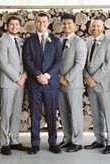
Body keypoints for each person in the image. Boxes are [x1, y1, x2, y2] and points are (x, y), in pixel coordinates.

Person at [22, 12, 63, 154]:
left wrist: (47, 75)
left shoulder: (56, 41)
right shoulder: (29, 40)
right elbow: (27, 60)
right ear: (35, 23)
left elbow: (58, 61)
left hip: (51, 84)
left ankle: (53, 143)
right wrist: (38, 74)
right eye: (39, 21)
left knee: (52, 113)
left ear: (48, 22)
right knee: (35, 113)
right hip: (35, 82)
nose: (41, 24)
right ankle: (35, 143)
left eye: (44, 21)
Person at [0, 15, 28, 155]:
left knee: (16, 113)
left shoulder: (21, 41)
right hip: (8, 82)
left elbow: (26, 61)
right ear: (7, 26)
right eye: (12, 24)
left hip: (21, 82)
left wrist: (24, 76)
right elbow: (3, 64)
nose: (14, 26)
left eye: (17, 24)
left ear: (20, 26)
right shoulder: (2, 41)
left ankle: (14, 140)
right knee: (6, 112)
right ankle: (4, 143)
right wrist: (16, 78)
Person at [83, 18, 110, 154]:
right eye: (93, 26)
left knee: (108, 114)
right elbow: (83, 62)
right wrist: (86, 76)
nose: (95, 28)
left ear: (103, 27)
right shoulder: (87, 42)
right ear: (90, 28)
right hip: (90, 85)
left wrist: (95, 79)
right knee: (96, 114)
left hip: (104, 85)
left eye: (98, 26)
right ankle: (99, 140)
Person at [57, 14, 87, 152]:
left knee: (75, 113)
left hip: (73, 84)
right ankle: (67, 138)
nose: (66, 26)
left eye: (69, 23)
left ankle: (77, 141)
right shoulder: (59, 40)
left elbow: (79, 64)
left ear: (75, 25)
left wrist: (66, 78)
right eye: (64, 23)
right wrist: (58, 77)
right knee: (64, 113)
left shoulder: (79, 42)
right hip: (59, 83)